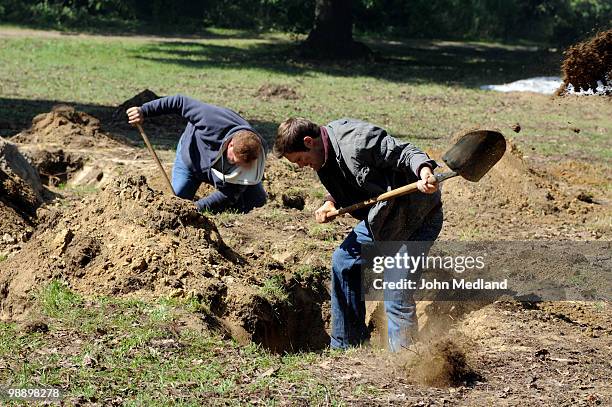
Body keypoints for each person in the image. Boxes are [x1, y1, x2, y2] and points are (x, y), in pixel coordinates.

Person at [274, 117, 443, 352]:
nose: (302, 166)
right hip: (382, 220)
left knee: (396, 289)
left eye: (300, 159)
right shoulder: (323, 155)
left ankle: (406, 360)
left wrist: (424, 172)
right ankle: (347, 345)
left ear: (308, 141)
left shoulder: (358, 141)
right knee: (343, 262)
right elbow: (347, 179)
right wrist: (330, 202)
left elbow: (405, 152)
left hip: (416, 219)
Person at [127, 94, 267, 213]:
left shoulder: (257, 152)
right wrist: (144, 110)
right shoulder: (211, 120)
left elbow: (227, 195)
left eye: (241, 165)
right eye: (234, 161)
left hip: (221, 175)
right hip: (192, 158)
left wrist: (196, 209)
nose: (237, 166)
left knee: (256, 203)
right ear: (230, 144)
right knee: (177, 200)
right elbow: (179, 102)